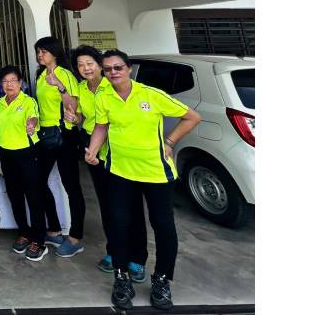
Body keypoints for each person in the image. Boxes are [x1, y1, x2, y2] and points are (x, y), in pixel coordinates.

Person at [85, 50, 202, 311]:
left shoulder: (151, 94)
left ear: (128, 69)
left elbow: (191, 117)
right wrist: (93, 150)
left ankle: (162, 279)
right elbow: (101, 126)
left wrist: (170, 142)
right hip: (120, 171)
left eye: (117, 67)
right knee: (118, 223)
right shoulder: (103, 97)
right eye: (108, 69)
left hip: (156, 173)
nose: (113, 73)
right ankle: (121, 276)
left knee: (162, 225)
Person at [72, 45, 145, 279]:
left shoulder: (113, 86)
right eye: (81, 65)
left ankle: (137, 258)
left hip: (120, 151)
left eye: (90, 63)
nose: (86, 68)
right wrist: (76, 118)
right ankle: (114, 251)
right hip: (94, 152)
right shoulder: (81, 89)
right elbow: (84, 118)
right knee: (107, 204)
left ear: (99, 65)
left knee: (130, 205)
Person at [33, 36, 88, 258]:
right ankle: (54, 229)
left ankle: (75, 237)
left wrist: (61, 87)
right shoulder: (39, 75)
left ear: (55, 53)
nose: (40, 55)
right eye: (38, 52)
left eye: (44, 51)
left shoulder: (65, 74)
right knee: (37, 181)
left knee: (71, 185)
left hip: (64, 134)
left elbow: (74, 107)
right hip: (45, 135)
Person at [0, 65, 48, 262]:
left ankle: (39, 240)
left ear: (21, 83)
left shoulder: (28, 101)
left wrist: (31, 125)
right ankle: (24, 232)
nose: (9, 85)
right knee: (15, 197)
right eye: (5, 81)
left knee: (34, 198)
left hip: (27, 154)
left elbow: (33, 118)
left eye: (13, 81)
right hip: (6, 155)